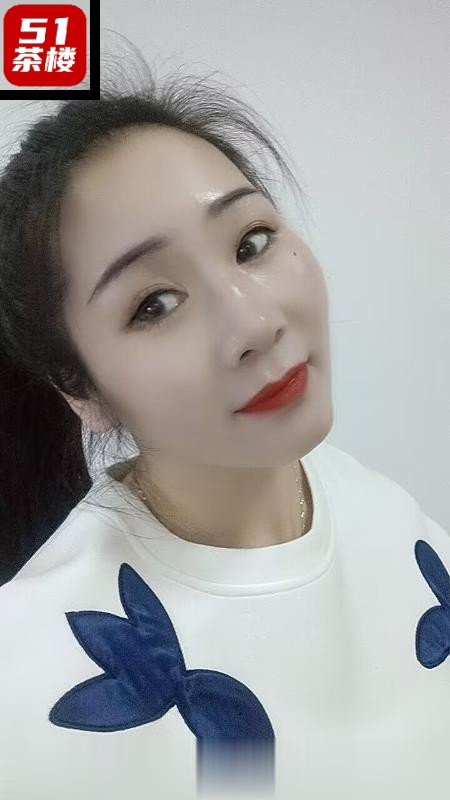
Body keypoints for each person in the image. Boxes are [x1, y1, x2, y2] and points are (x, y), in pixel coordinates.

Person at [0, 66, 448, 800]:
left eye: (251, 243)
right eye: (155, 303)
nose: (255, 323)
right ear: (81, 390)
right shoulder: (27, 687)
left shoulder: (396, 521)